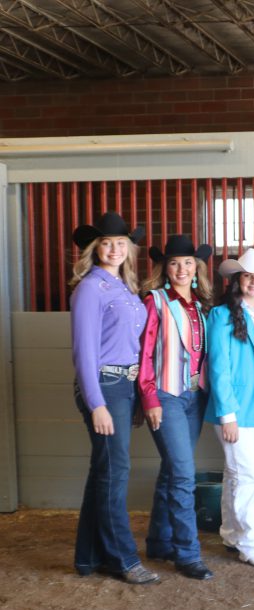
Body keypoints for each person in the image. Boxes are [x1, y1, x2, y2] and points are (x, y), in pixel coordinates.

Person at [69, 212, 157, 585]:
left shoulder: (124, 286)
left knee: (103, 472)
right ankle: (123, 558)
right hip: (103, 386)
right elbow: (84, 351)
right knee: (115, 472)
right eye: (106, 242)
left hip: (122, 386)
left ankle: (88, 558)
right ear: (95, 248)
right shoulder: (91, 288)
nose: (114, 248)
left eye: (121, 242)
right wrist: (97, 403)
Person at [139, 235, 215, 581]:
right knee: (183, 473)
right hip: (166, 396)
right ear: (164, 268)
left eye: (187, 263)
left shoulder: (202, 305)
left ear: (196, 268)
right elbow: (144, 354)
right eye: (174, 263)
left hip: (194, 398)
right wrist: (150, 397)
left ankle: (157, 541)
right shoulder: (154, 301)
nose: (182, 269)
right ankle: (187, 553)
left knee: (172, 469)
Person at [205, 248, 254, 569]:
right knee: (248, 476)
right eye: (248, 276)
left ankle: (230, 533)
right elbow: (219, 368)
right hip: (236, 407)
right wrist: (228, 415)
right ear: (238, 280)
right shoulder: (222, 315)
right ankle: (251, 541)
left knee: (236, 473)